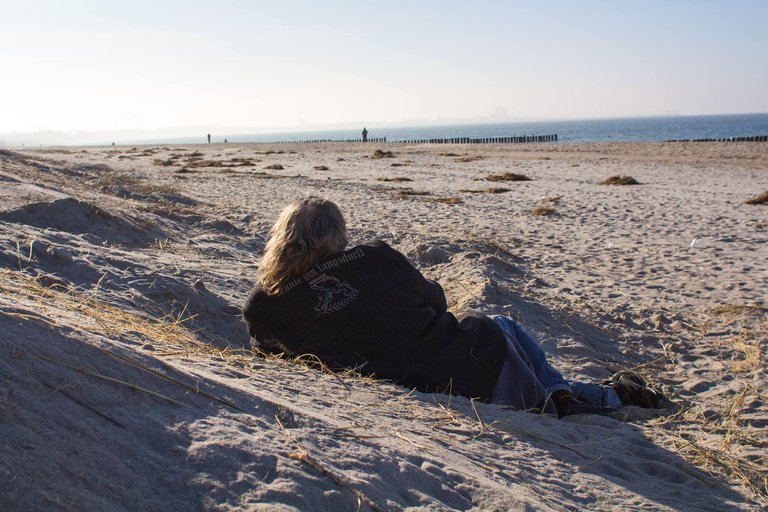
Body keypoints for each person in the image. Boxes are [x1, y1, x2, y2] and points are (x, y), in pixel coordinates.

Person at [242, 197, 664, 418]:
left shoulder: (266, 303)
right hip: (465, 368)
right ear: (339, 235)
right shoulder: (376, 258)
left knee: (509, 348)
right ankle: (599, 397)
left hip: (417, 378)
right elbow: (436, 301)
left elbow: (269, 345)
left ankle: (593, 393)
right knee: (500, 325)